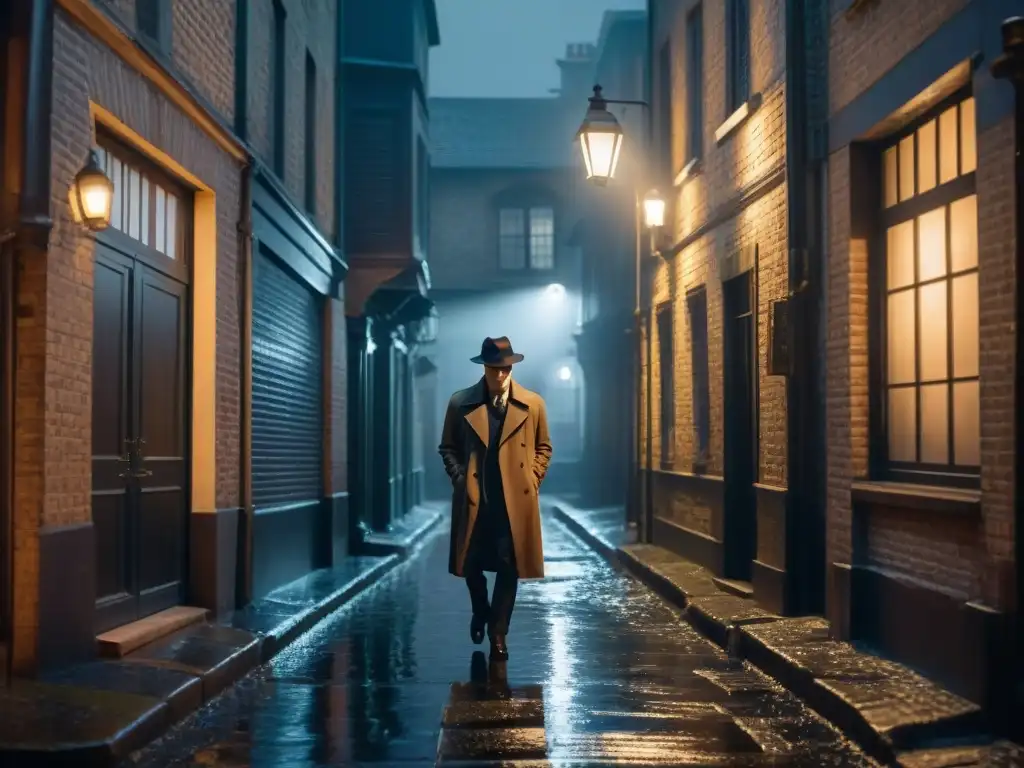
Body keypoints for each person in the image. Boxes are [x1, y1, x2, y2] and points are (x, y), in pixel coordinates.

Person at [438, 336, 553, 661]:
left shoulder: (533, 404)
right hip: (477, 499)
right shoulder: (461, 403)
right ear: (484, 368)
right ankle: (480, 610)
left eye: (504, 369)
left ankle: (498, 632)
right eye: (493, 369)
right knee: (470, 564)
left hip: (513, 502)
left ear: (511, 368)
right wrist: (461, 479)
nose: (499, 375)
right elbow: (448, 447)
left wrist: (532, 478)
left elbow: (544, 447)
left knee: (509, 568)